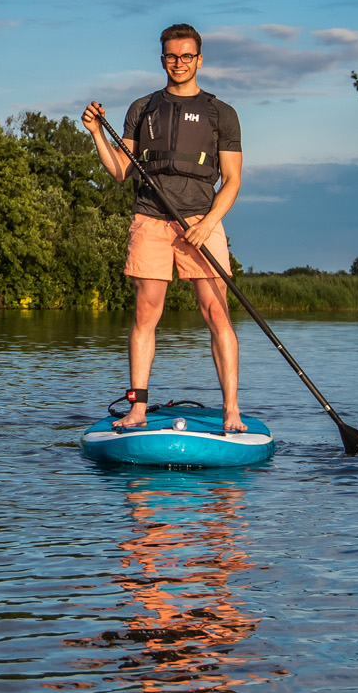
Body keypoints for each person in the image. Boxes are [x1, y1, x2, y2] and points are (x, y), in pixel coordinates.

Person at [82, 24, 245, 432]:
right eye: (172, 56)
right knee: (145, 315)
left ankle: (231, 411)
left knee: (216, 313)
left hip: (201, 223)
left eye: (187, 56)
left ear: (199, 59)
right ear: (163, 60)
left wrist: (207, 225)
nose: (179, 63)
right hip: (150, 218)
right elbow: (121, 171)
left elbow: (233, 180)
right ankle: (137, 408)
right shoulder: (142, 108)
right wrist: (96, 134)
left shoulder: (221, 113)